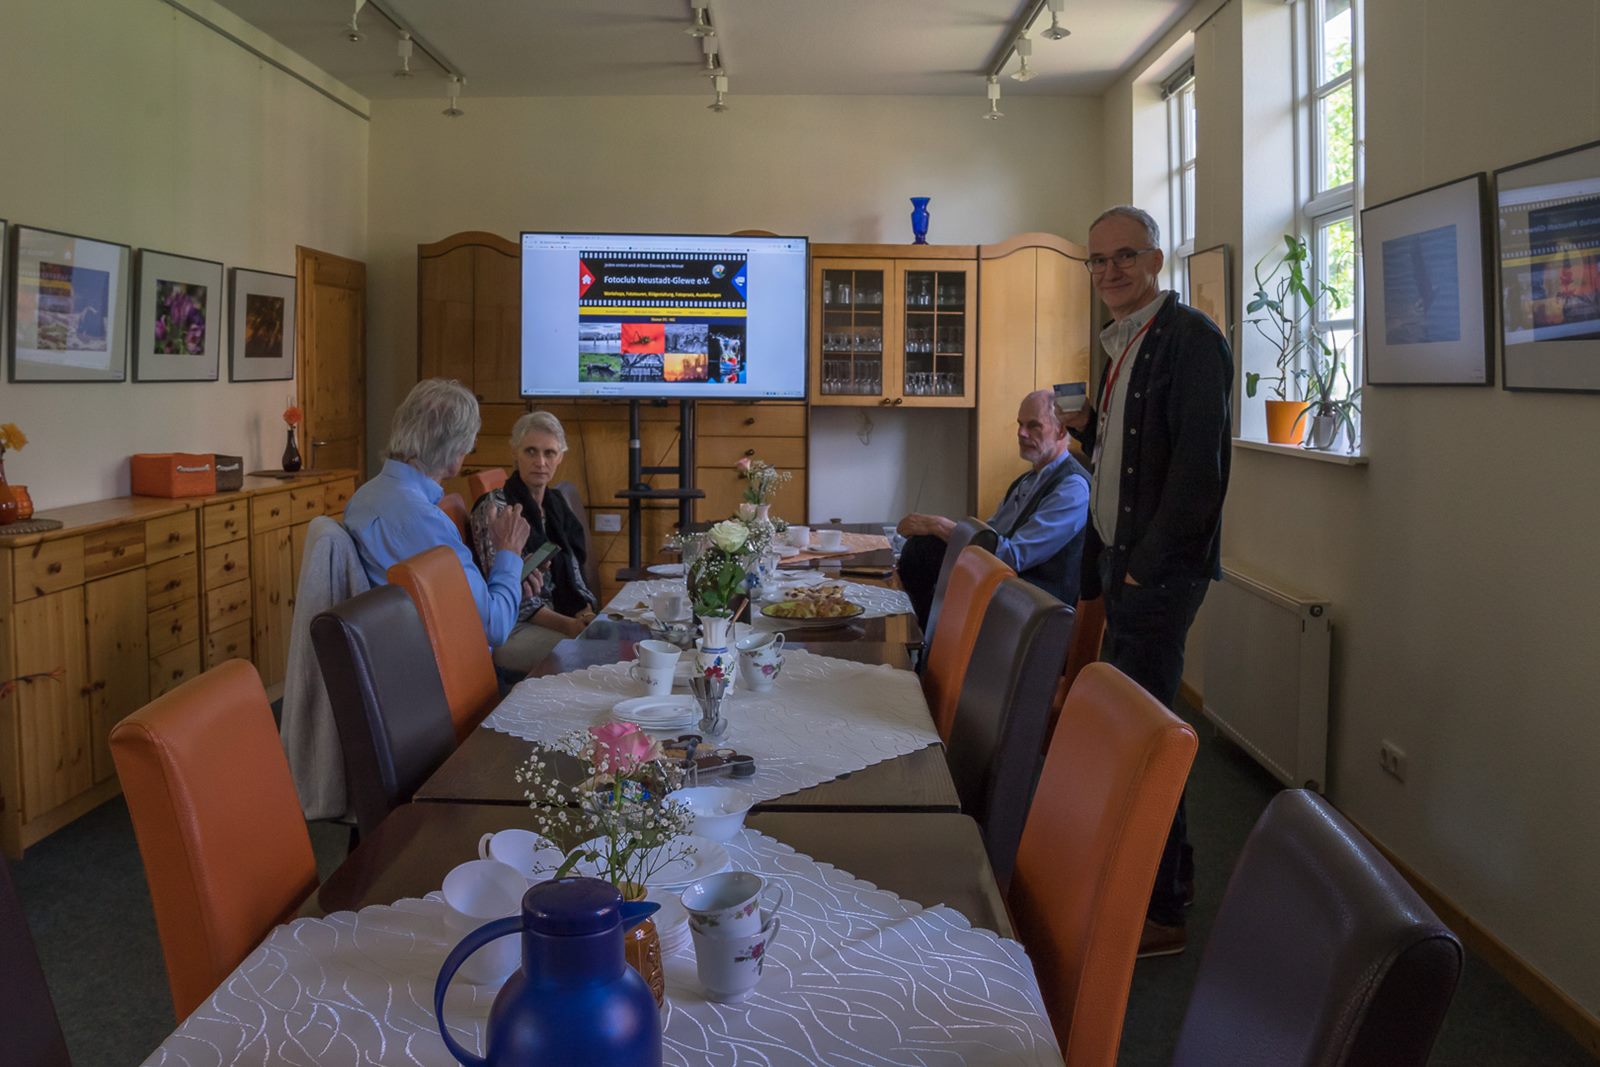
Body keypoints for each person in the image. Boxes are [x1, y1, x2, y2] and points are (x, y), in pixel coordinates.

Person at [1063, 205, 1232, 959]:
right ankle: (1149, 884)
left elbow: (1199, 474)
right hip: (1123, 564)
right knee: (1136, 730)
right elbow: (1125, 458)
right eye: (1098, 260)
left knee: (1148, 742)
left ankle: (1160, 907)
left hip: (1156, 576)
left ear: (1156, 260)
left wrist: (1141, 566)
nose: (1110, 271)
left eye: (1125, 256)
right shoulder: (1123, 341)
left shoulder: (1191, 340)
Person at [344, 378, 530, 649]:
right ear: (455, 451)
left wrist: (513, 580)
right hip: (440, 663)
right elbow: (495, 626)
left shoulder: (363, 496)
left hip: (390, 650)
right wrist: (509, 551)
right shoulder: (423, 520)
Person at [896, 388, 1090, 621]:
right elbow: (990, 533)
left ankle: (919, 636)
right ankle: (919, 633)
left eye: (1033, 426)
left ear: (1061, 430)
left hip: (1030, 607)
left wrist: (941, 527)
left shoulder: (1072, 488)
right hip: (1004, 588)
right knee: (922, 550)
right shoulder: (1027, 480)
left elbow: (1012, 556)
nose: (1021, 433)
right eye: (1020, 424)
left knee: (924, 551)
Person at [469, 411, 599, 675]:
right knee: (594, 656)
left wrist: (584, 613)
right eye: (530, 451)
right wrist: (570, 626)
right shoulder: (497, 509)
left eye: (549, 453)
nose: (540, 462)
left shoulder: (556, 504)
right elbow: (509, 596)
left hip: (558, 616)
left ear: (560, 457)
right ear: (514, 452)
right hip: (513, 627)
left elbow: (574, 569)